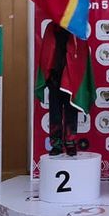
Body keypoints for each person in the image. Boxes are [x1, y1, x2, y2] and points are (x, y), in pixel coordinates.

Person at [35, 22, 94, 156]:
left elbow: (82, 55)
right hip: (55, 77)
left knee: (71, 110)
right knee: (55, 112)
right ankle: (56, 144)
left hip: (71, 79)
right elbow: (46, 53)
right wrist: (48, 75)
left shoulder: (76, 27)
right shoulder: (51, 27)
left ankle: (70, 142)